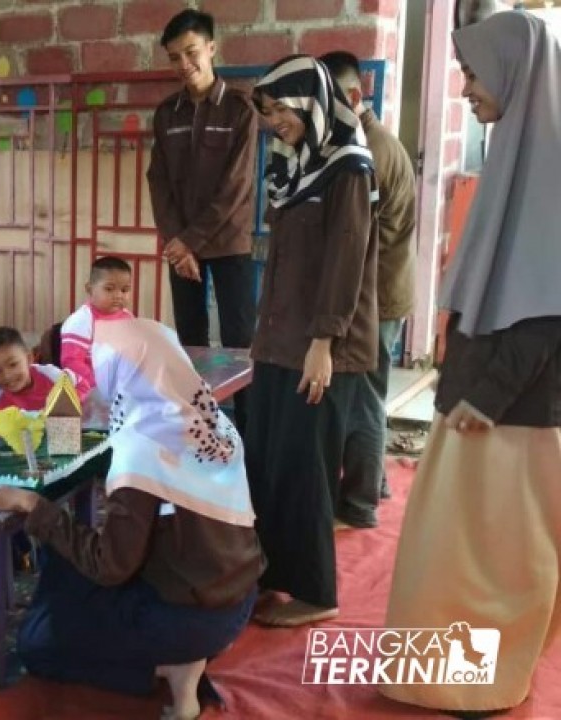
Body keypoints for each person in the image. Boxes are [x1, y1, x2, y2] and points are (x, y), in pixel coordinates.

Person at [382, 12, 561, 714]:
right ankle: (447, 675)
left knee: (497, 562)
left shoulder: (550, 169)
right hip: (481, 406)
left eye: (472, 73)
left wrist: (483, 398)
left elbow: (549, 312)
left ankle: (481, 682)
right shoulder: (518, 159)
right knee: (454, 556)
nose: (463, 90)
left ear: (515, 71)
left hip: (508, 418)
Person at [0, 314, 263, 720]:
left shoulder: (142, 451)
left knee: (35, 645)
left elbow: (111, 566)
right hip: (236, 595)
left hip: (188, 617)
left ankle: (168, 666)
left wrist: (32, 506)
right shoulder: (212, 422)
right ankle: (179, 661)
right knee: (66, 559)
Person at [246, 55, 379, 627]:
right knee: (269, 462)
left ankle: (316, 591)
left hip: (320, 347)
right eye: (268, 111)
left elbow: (345, 259)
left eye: (280, 108)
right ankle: (273, 572)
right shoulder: (294, 166)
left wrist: (324, 341)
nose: (274, 121)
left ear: (309, 100)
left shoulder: (349, 167)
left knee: (305, 468)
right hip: (279, 341)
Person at [147, 8, 259, 434]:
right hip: (182, 249)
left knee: (239, 342)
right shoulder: (166, 113)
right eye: (174, 57)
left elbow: (235, 188)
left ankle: (247, 433)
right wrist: (176, 242)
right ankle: (199, 428)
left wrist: (188, 240)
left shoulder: (239, 109)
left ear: (212, 48)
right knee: (189, 342)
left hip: (229, 244)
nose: (184, 65)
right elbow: (158, 182)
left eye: (192, 52)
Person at [321, 50, 418, 523]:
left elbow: (354, 242)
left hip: (375, 299)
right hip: (381, 294)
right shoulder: (368, 142)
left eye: (327, 97)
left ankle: (358, 505)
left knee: (363, 398)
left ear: (354, 96)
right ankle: (372, 484)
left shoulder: (370, 152)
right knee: (369, 395)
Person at [0, 326, 87, 434]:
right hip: (9, 454)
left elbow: (83, 384)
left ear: (29, 358)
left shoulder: (50, 375)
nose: (6, 376)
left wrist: (64, 403)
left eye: (13, 365)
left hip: (53, 447)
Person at [59, 256, 132, 397]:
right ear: (90, 289)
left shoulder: (128, 318)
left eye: (124, 290)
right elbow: (71, 361)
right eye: (109, 289)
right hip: (89, 386)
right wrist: (99, 384)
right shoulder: (81, 320)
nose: (118, 296)